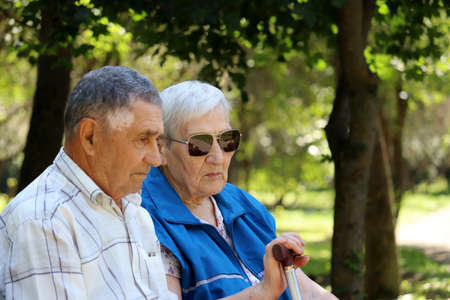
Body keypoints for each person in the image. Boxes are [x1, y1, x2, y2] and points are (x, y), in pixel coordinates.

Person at [141, 81, 337, 300]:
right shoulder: (146, 221)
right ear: (161, 149)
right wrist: (262, 293)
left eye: (226, 140)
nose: (217, 157)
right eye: (200, 144)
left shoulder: (241, 204)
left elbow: (309, 292)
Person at [0, 66, 176, 300]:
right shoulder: (44, 221)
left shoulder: (134, 210)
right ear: (89, 136)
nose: (156, 158)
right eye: (143, 139)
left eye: (157, 141)